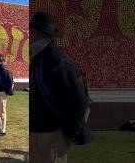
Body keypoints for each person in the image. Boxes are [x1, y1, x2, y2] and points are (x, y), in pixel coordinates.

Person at [29, 11, 92, 163]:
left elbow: (79, 102)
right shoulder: (42, 58)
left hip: (50, 135)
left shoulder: (57, 61)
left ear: (37, 33)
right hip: (40, 133)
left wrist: (66, 129)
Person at [0, 53, 14, 136]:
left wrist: (7, 91)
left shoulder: (4, 70)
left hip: (1, 92)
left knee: (2, 111)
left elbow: (9, 82)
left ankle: (3, 130)